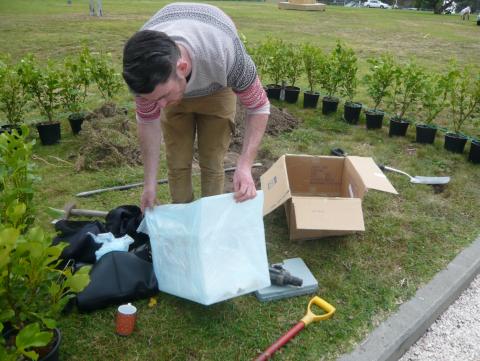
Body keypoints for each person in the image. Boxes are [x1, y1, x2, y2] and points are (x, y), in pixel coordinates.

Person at [122, 3, 270, 212]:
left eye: (163, 97)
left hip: (217, 87)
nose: (160, 106)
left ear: (182, 67)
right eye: (154, 100)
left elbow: (259, 106)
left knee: (212, 160)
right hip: (176, 85)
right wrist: (149, 184)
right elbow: (148, 121)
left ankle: (211, 216)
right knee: (177, 162)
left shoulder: (224, 51)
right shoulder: (144, 72)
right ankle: (184, 216)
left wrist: (245, 165)